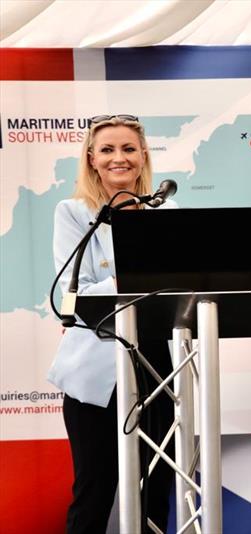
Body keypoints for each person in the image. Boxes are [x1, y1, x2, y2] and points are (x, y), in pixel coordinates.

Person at [49, 115, 177, 533]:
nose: (118, 158)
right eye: (107, 149)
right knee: (95, 486)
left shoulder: (167, 210)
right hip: (95, 369)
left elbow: (176, 287)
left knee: (155, 487)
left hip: (156, 362)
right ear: (91, 158)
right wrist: (136, 275)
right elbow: (79, 293)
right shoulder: (71, 212)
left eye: (127, 149)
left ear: (142, 157)